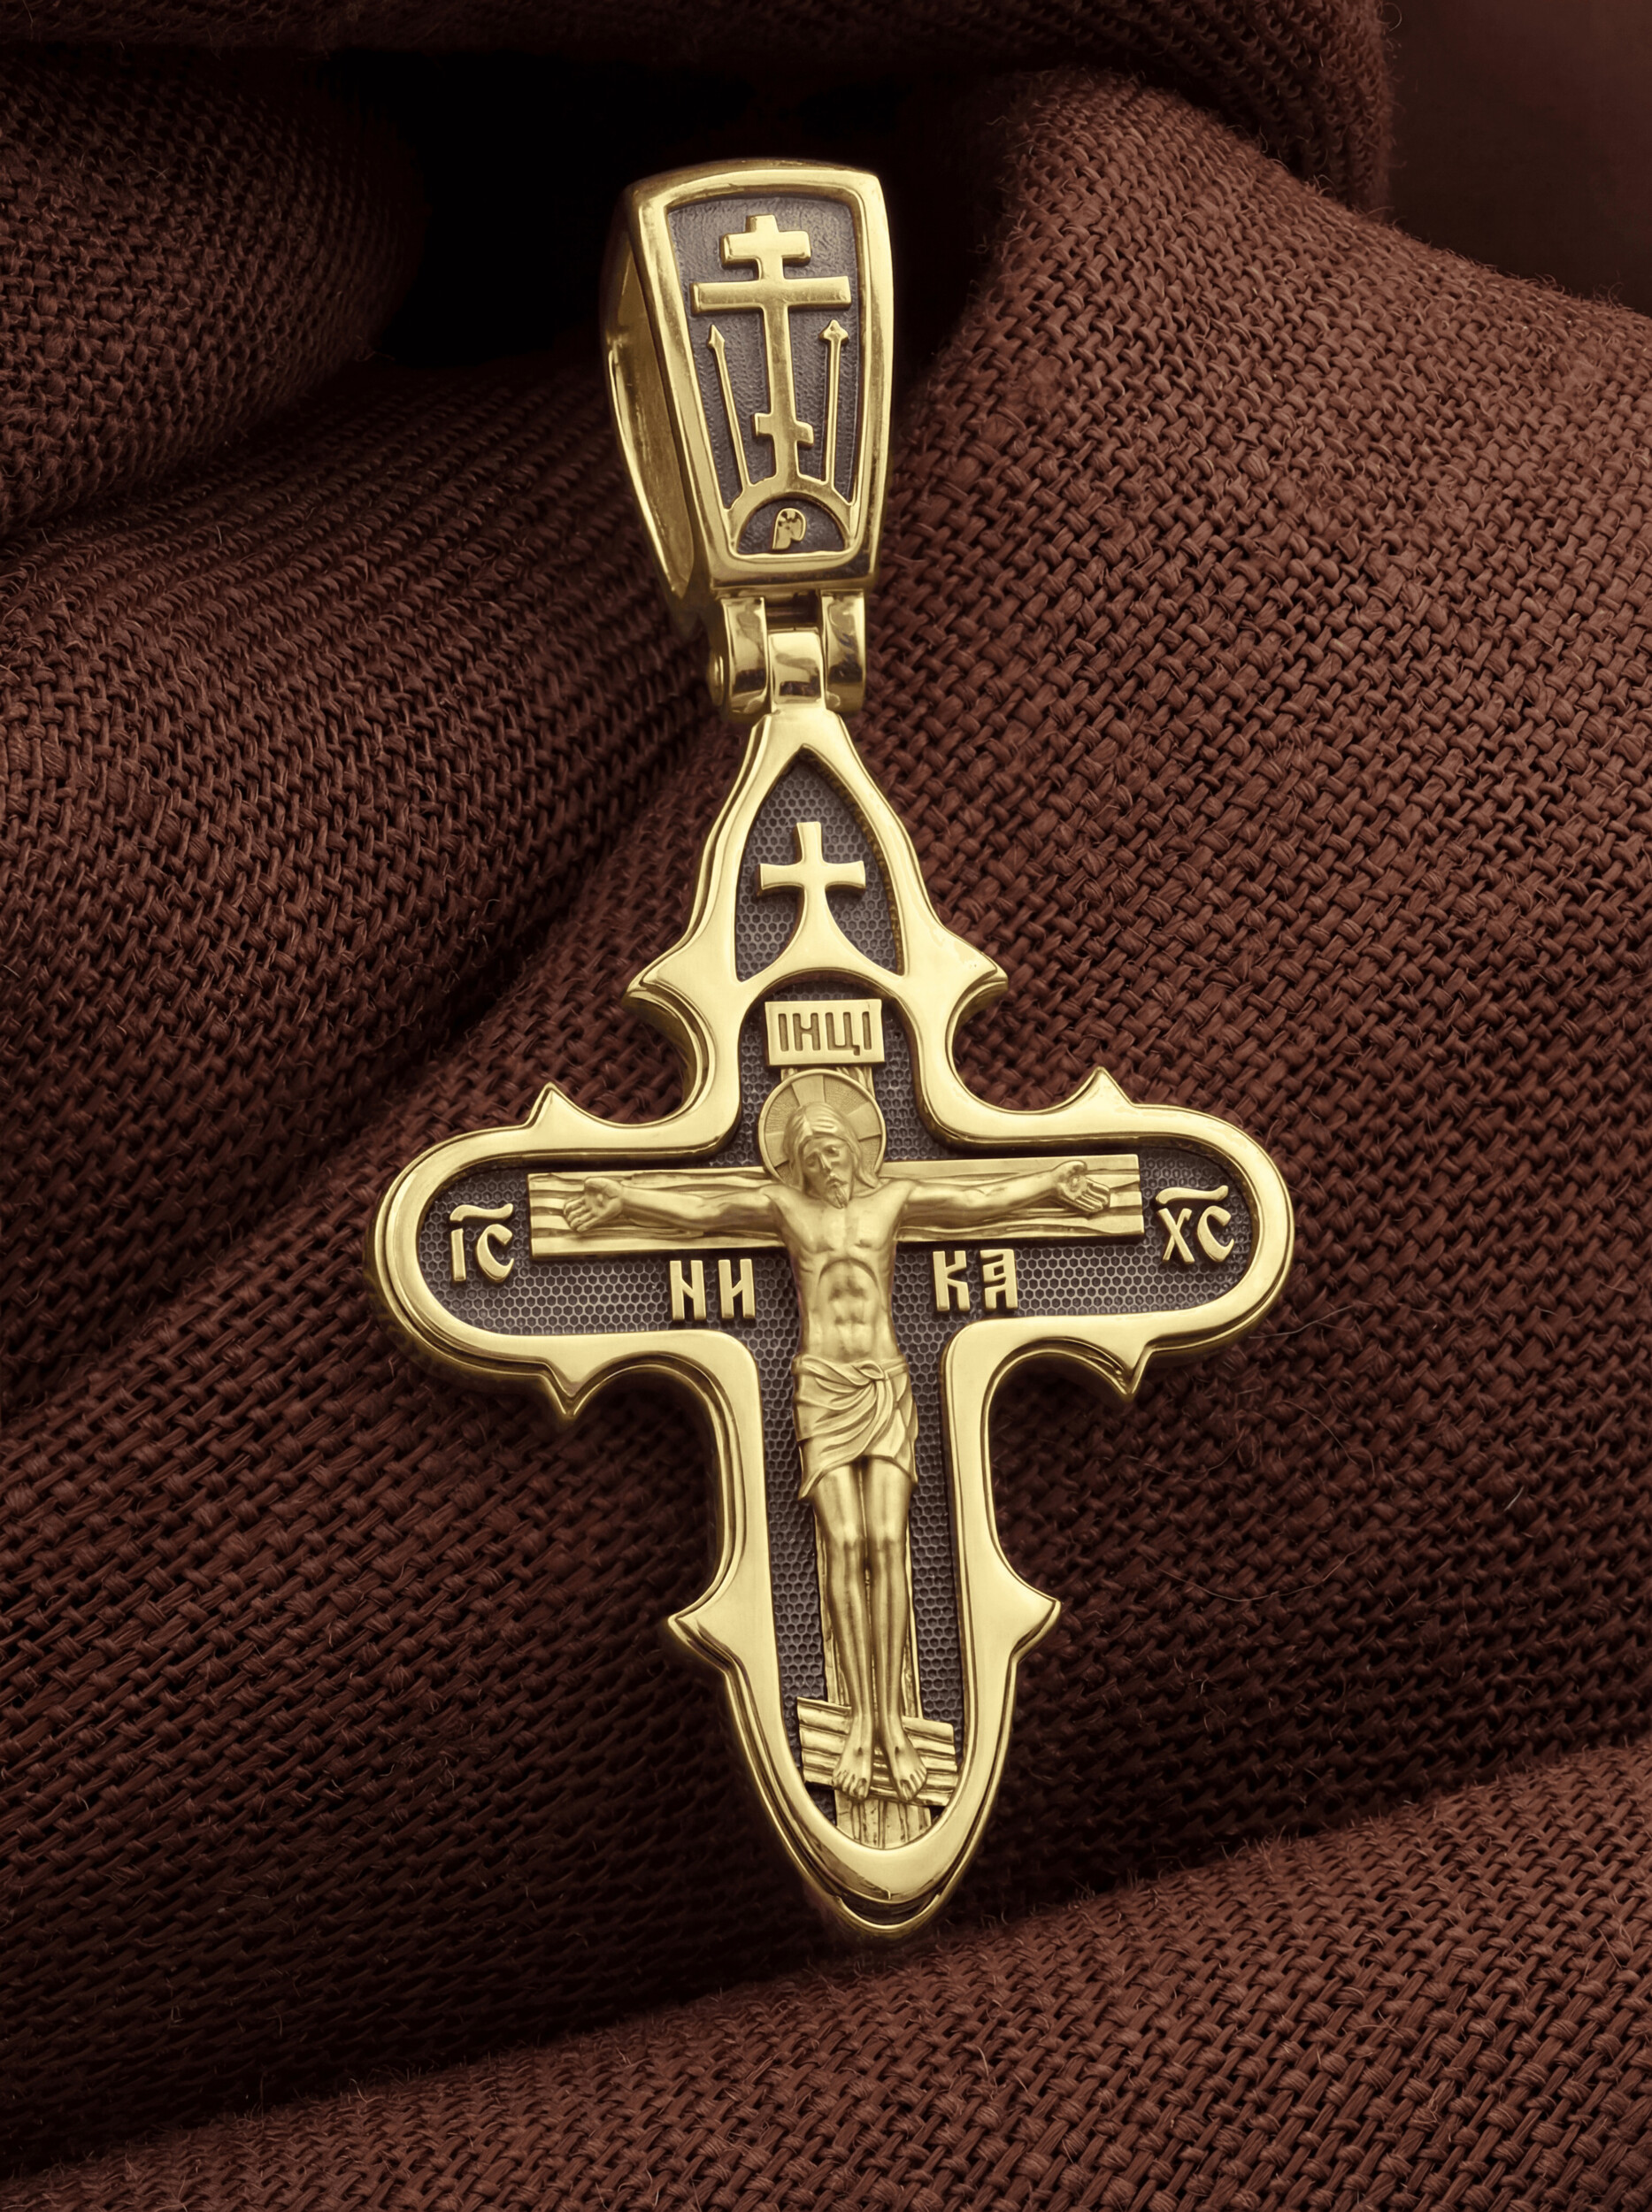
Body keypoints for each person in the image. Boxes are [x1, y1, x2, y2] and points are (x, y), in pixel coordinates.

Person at [566, 1083, 1110, 1805]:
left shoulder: (894, 1200)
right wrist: (623, 1200)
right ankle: (857, 1720)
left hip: (884, 1382)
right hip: (821, 1385)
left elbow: (979, 1203)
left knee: (887, 1542)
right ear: (794, 1164)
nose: (824, 1163)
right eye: (809, 1155)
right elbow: (701, 1213)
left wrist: (1050, 1184)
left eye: (831, 1148)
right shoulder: (785, 1207)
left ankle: (890, 1723)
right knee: (842, 1544)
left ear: (854, 1149)